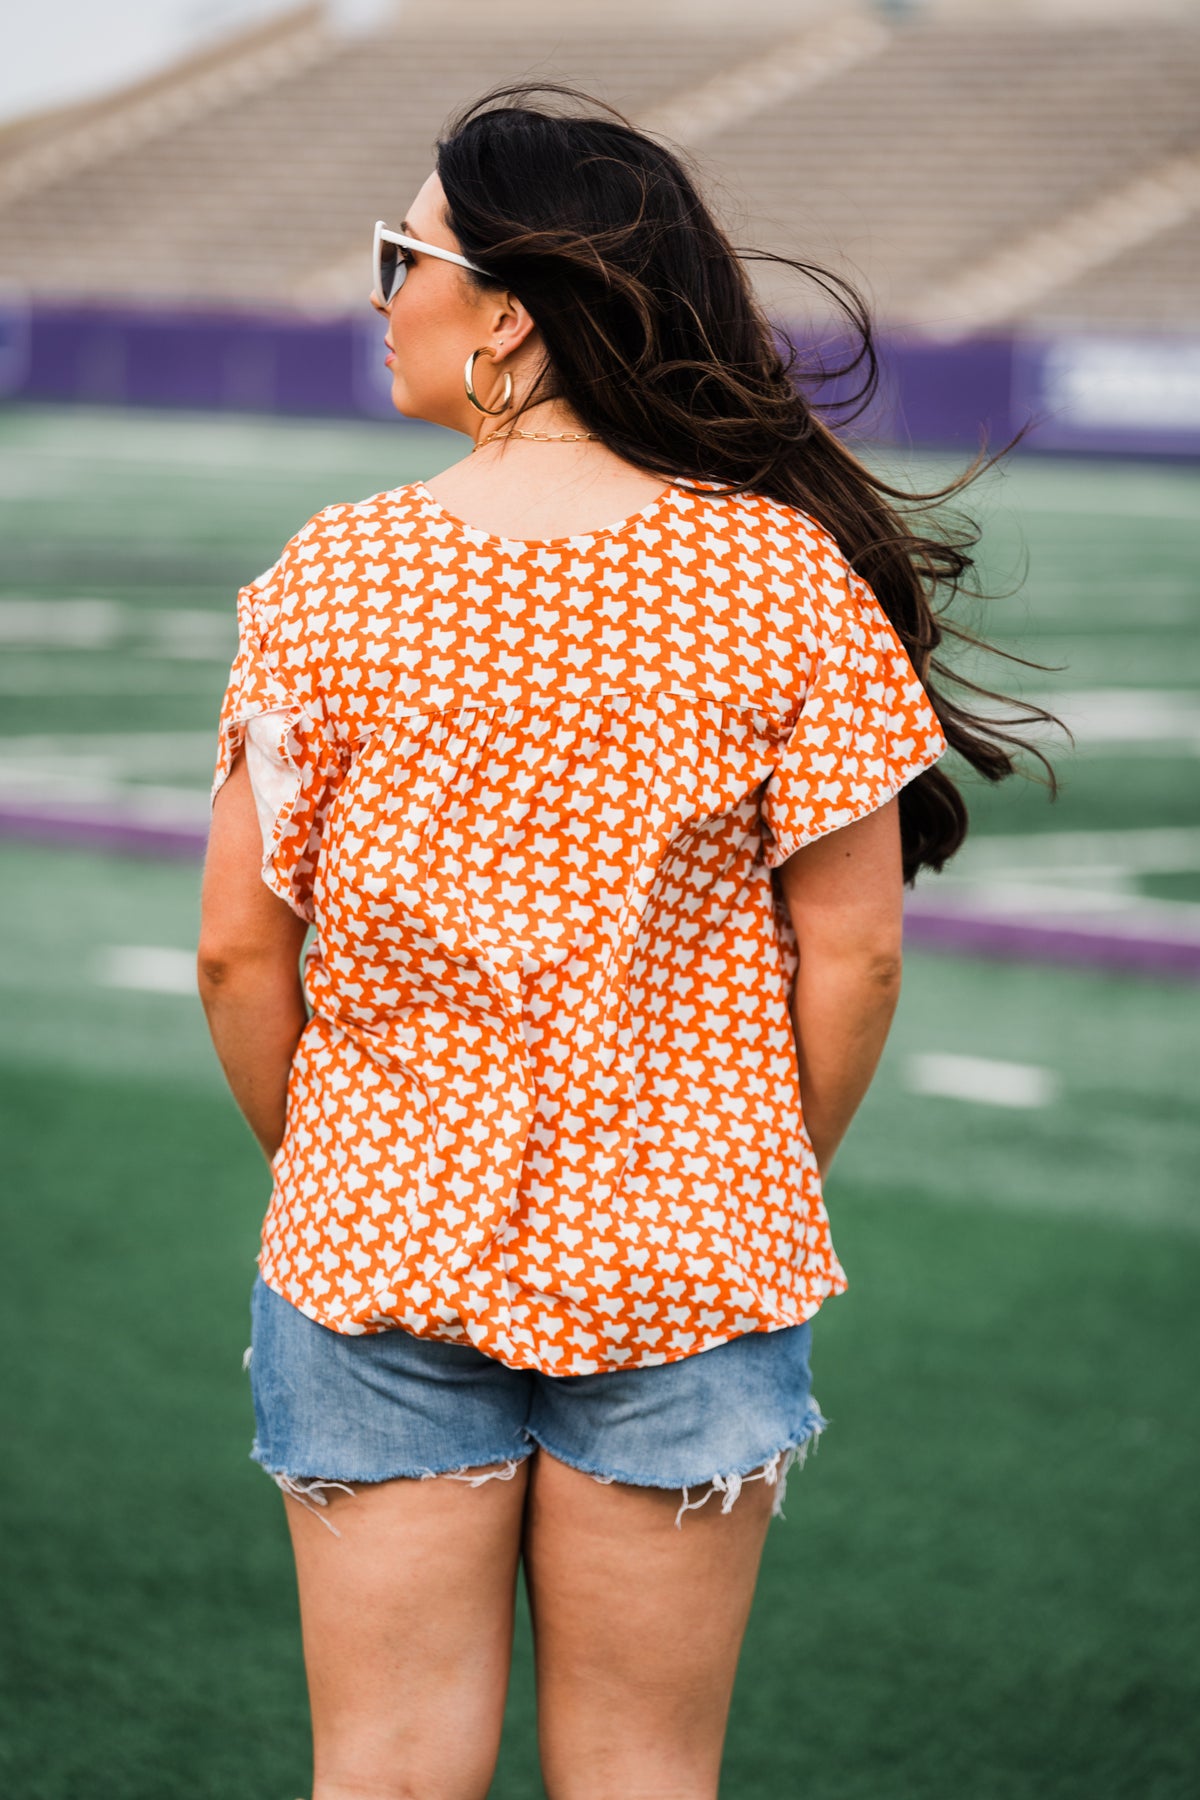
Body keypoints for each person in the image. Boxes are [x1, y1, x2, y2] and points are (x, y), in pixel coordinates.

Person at [198, 86, 1053, 1800]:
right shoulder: (786, 576)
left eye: (401, 258)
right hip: (691, 1249)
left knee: (380, 1772)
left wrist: (352, 1160)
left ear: (505, 308)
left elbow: (237, 953)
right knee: (650, 1777)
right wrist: (739, 1165)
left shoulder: (331, 574)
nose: (379, 296)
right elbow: (858, 955)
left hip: (374, 1235)